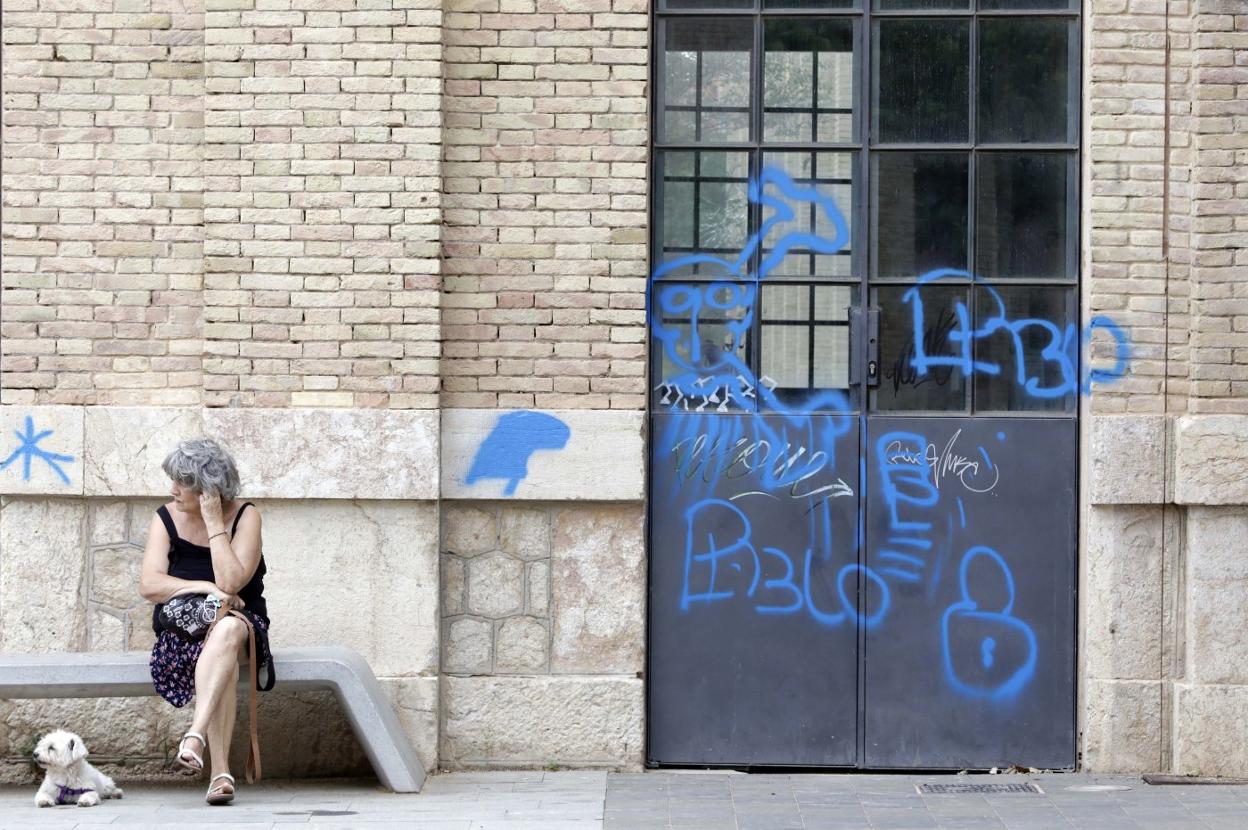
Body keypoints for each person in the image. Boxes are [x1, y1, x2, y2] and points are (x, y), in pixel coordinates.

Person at [138, 438, 270, 806]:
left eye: (183, 482)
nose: (173, 489)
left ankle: (194, 736)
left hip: (240, 625)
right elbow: (149, 584)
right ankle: (219, 774)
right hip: (184, 631)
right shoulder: (166, 517)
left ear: (208, 490)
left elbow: (232, 583)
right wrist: (204, 586)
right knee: (219, 654)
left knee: (226, 630)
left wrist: (214, 522)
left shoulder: (246, 517)